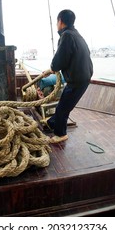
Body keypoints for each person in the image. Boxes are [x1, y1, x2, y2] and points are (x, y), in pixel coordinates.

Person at [45, 9, 93, 143]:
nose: (56, 25)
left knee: (62, 108)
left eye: (57, 22)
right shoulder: (77, 35)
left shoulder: (66, 36)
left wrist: (53, 68)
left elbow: (60, 60)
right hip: (84, 77)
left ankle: (60, 134)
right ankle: (52, 122)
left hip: (77, 80)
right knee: (65, 105)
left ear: (60, 21)